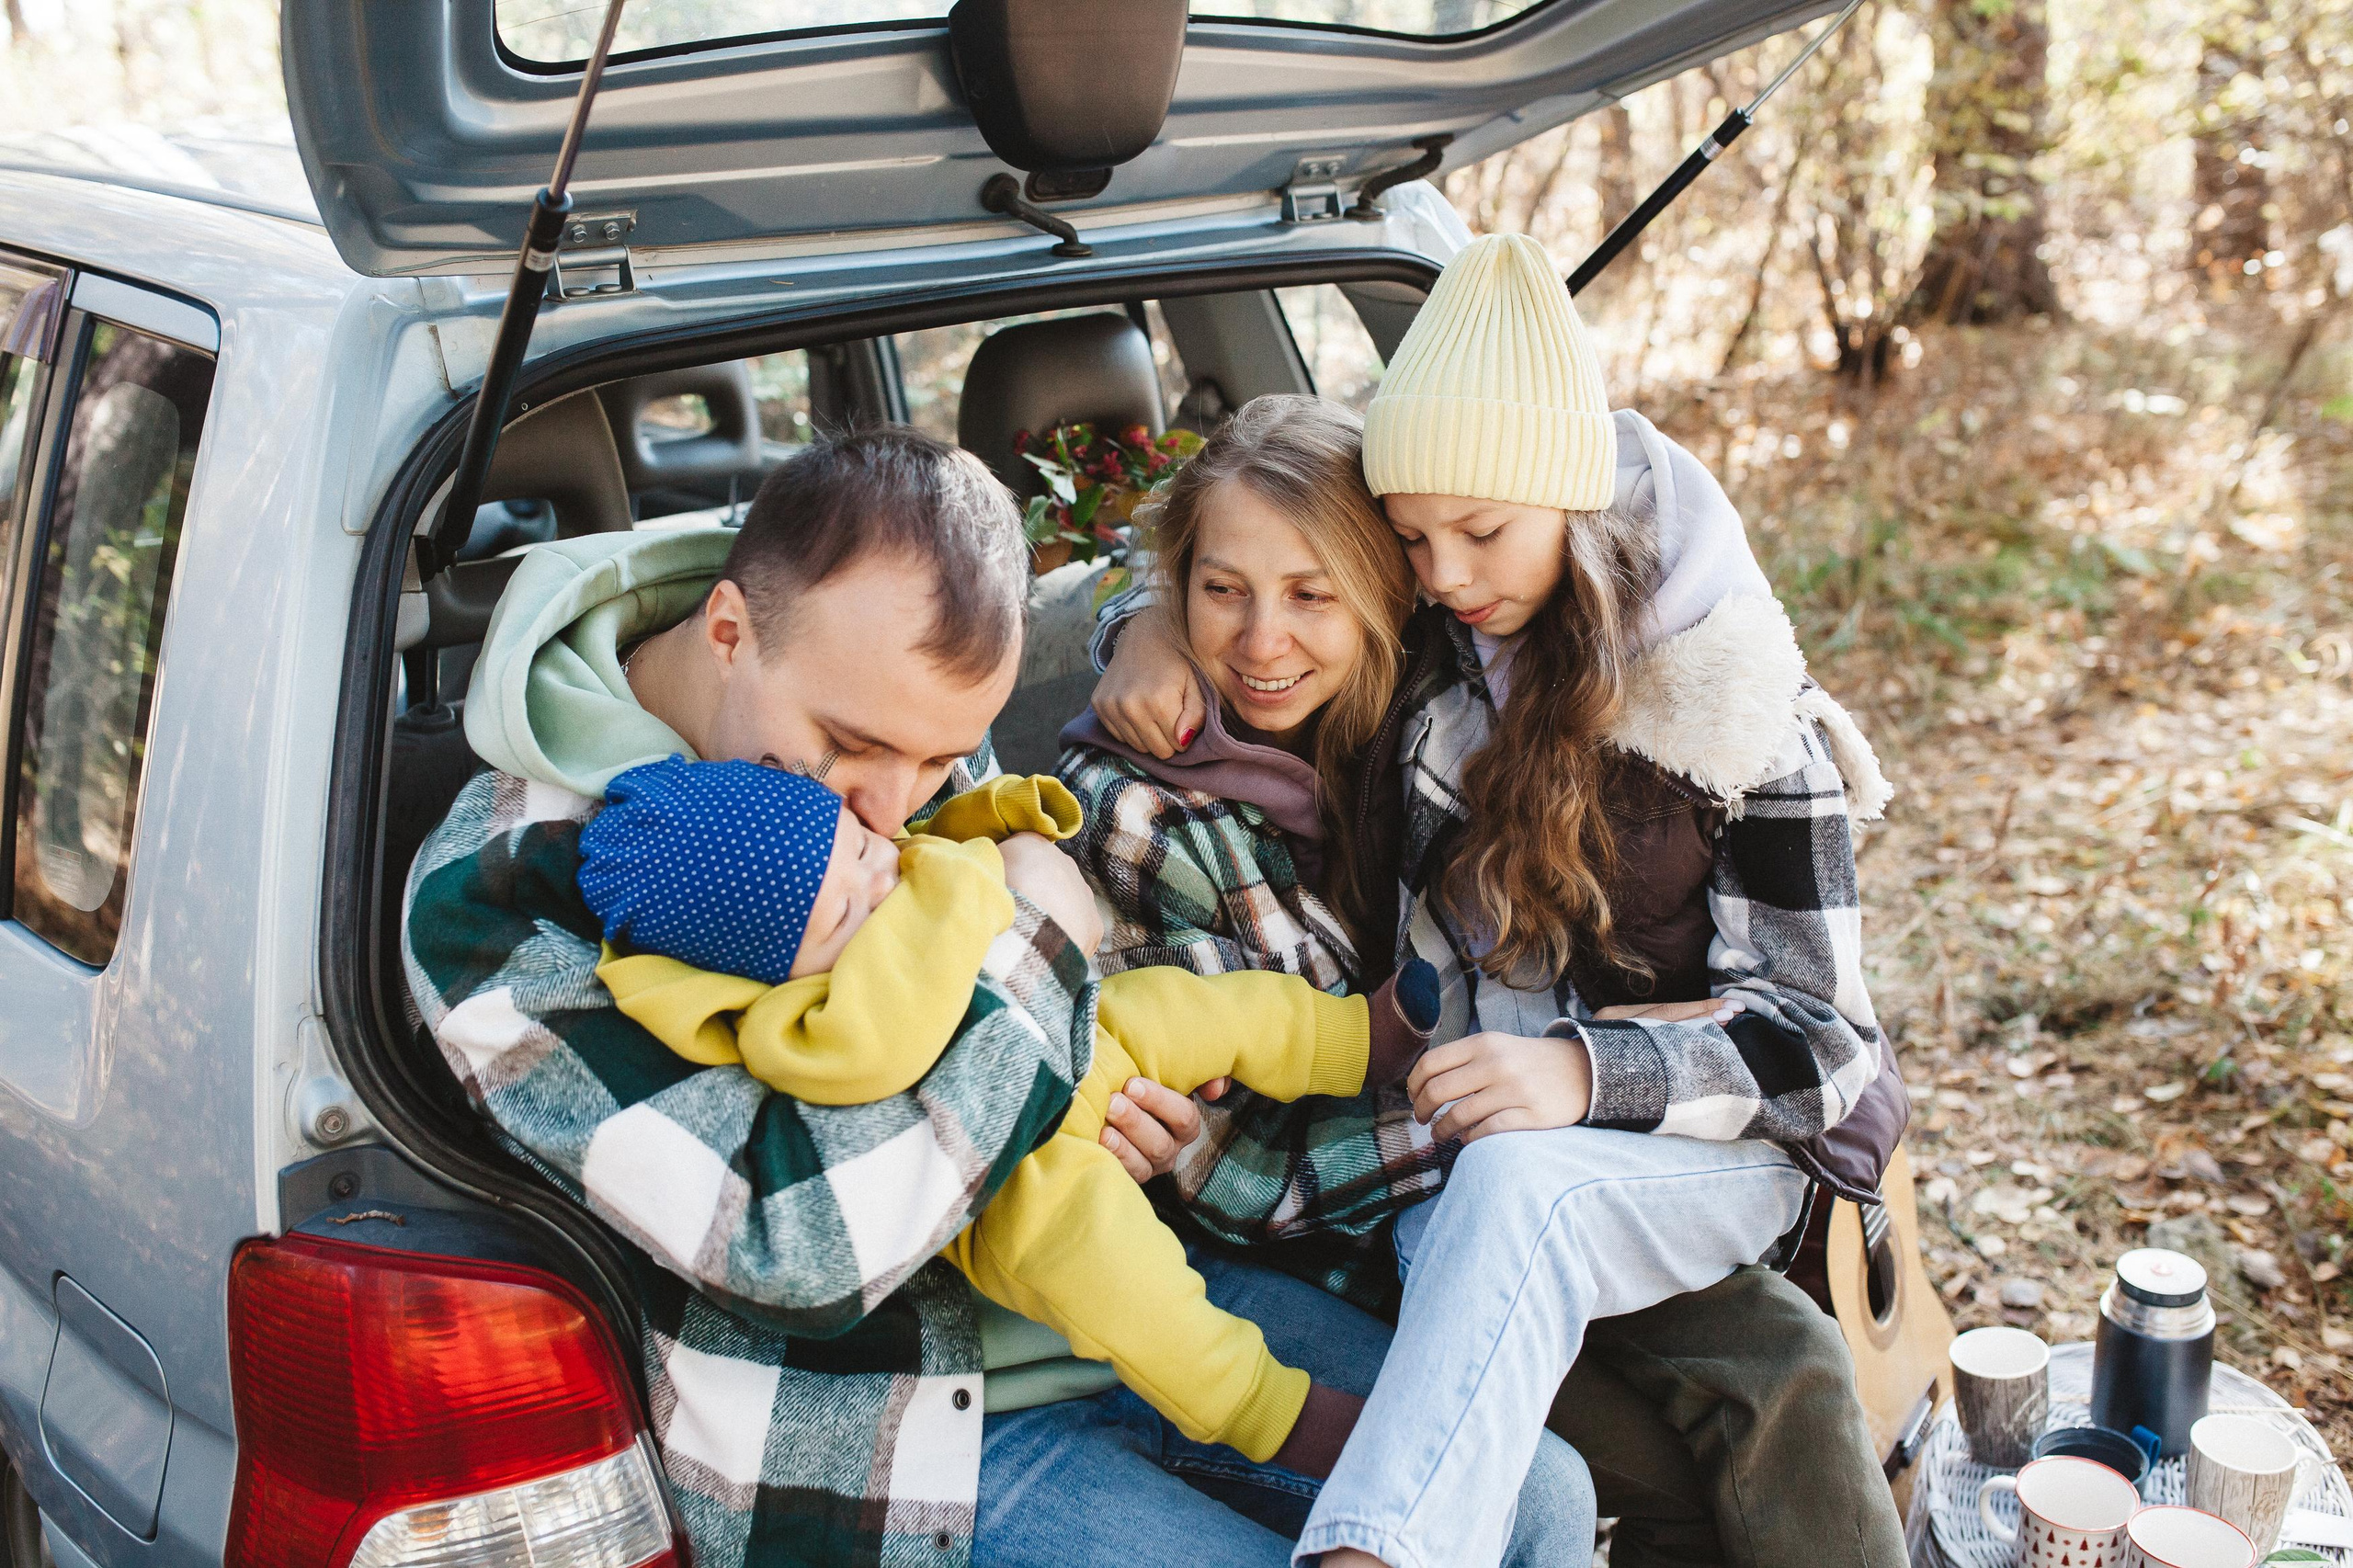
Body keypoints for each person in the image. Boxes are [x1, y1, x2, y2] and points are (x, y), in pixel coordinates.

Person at [402, 424, 1595, 1568]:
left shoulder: (885, 705)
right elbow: (799, 1244)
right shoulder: (495, 895)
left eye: (939, 760)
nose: (890, 807)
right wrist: (1045, 950)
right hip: (892, 1433)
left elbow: (994, 963)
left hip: (1122, 1281)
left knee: (1540, 1497)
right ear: (728, 628)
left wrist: (1122, 1099)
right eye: (849, 748)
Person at [1067, 353, 1909, 1566]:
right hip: (1377, 1194)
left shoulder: (1446, 672)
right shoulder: (1196, 789)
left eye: (1319, 592)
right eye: (1219, 594)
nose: (1264, 640)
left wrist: (1580, 1068)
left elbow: (1816, 1031)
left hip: (1555, 1144)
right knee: (1640, 1443)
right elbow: (1239, 1165)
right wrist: (1142, 626)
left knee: (1789, 1369)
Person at [572, 755, 1445, 1477]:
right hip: (1024, 1170)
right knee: (1126, 1281)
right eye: (845, 908)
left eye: (861, 847)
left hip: (1087, 1032)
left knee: (1191, 1005)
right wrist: (1028, 927)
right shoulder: (805, 1028)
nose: (881, 880)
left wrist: (1005, 815)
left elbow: (930, 841)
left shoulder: (872, 866)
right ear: (780, 973)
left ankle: (1356, 1041)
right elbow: (890, 1055)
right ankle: (1270, 1413)